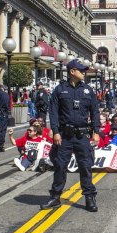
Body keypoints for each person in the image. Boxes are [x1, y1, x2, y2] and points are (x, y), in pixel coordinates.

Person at [42, 59, 101, 212]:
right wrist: (55, 131)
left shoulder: (88, 90)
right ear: (72, 72)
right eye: (81, 70)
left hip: (82, 135)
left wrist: (96, 132)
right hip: (64, 135)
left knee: (85, 166)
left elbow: (95, 111)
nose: (83, 73)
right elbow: (53, 111)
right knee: (60, 166)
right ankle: (55, 197)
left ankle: (89, 197)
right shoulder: (60, 90)